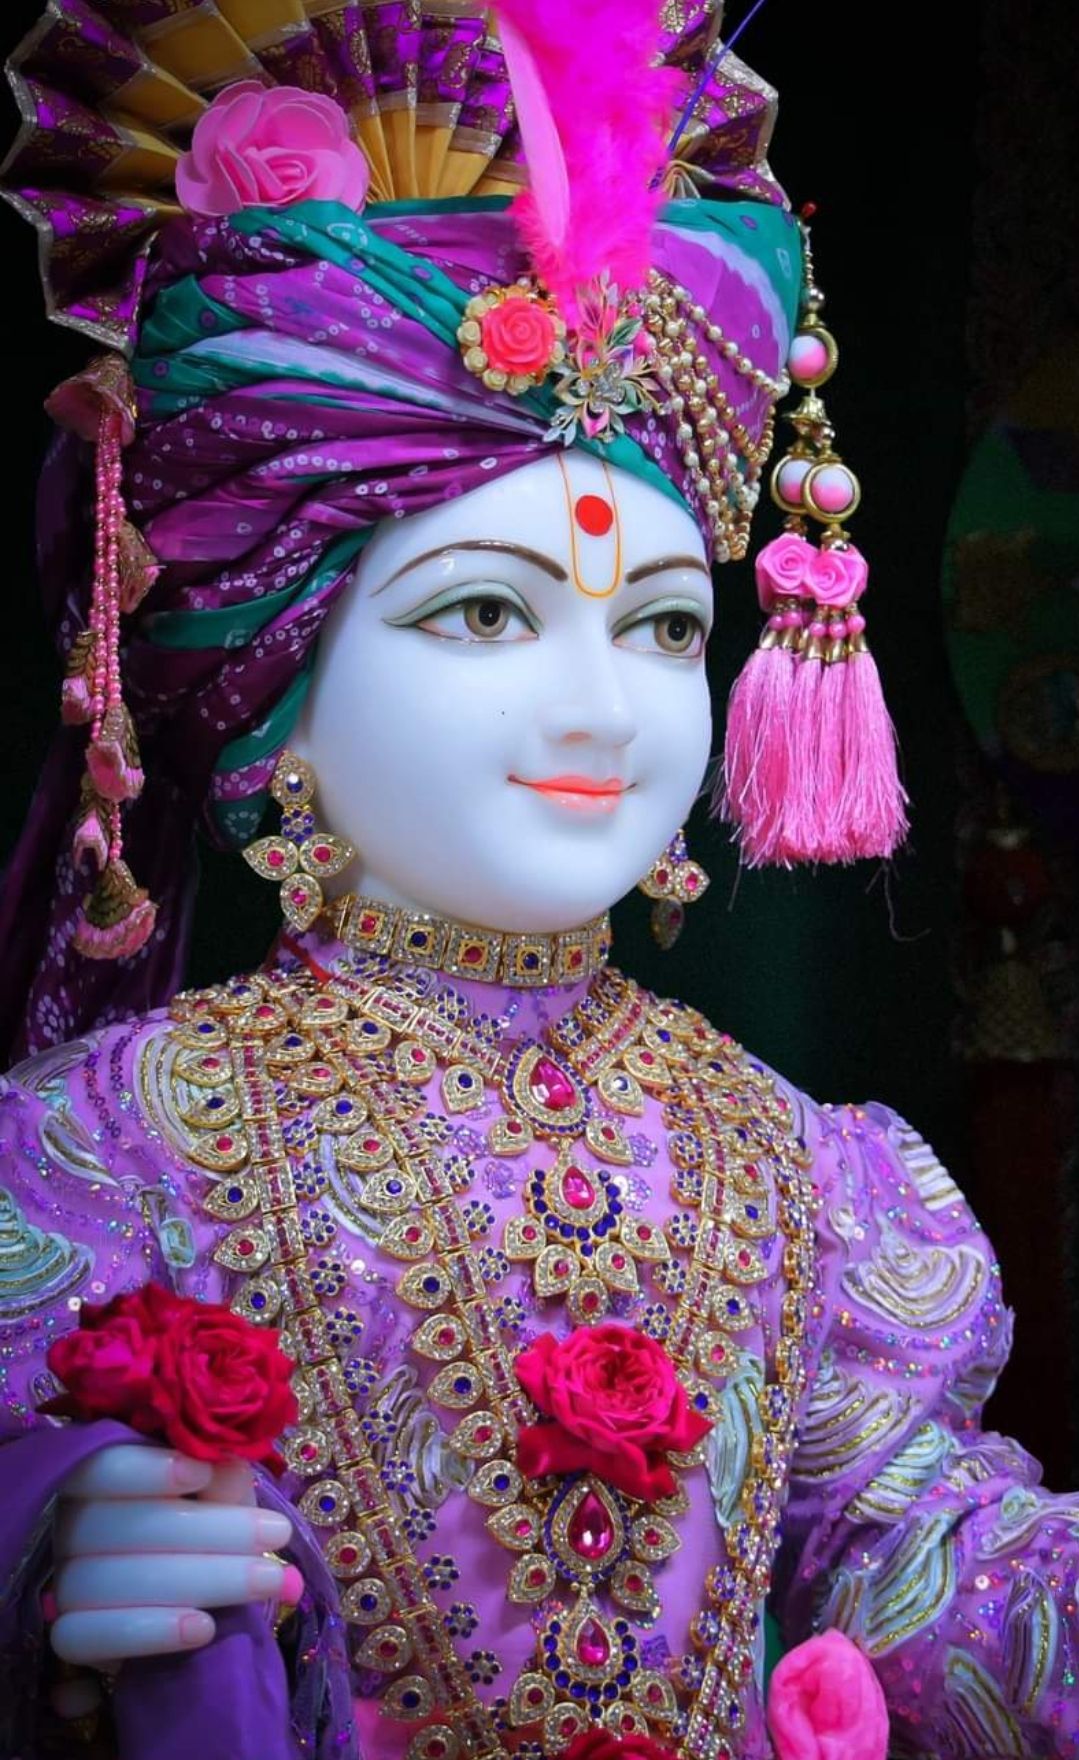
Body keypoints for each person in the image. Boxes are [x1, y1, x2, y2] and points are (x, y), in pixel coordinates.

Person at [0, 5, 1073, 1759]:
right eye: (487, 611)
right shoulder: (107, 1152)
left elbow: (916, 1565)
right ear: (272, 683)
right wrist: (52, 1554)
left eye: (664, 626)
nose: (601, 705)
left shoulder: (803, 1169)